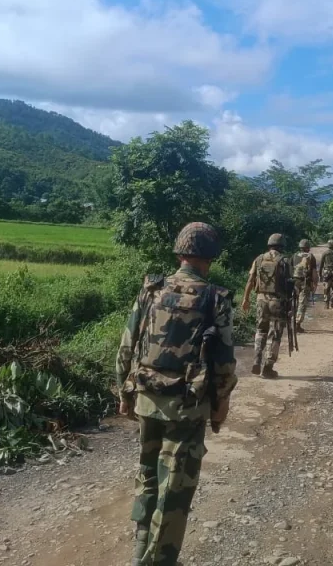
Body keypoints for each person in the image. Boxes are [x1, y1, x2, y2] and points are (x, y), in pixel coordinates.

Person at [116, 222, 237, 566]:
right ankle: (159, 560)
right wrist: (221, 405)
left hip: (146, 396)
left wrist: (124, 391)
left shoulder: (151, 289)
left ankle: (142, 552)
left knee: (148, 475)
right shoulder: (216, 298)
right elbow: (225, 362)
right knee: (175, 491)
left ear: (180, 252)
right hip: (187, 406)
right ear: (210, 256)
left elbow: (127, 346)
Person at [241, 233, 292, 379]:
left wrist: (245, 299)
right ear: (282, 245)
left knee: (260, 329)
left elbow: (250, 280)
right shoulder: (285, 261)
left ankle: (257, 359)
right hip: (278, 301)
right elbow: (290, 285)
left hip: (261, 299)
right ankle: (268, 367)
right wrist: (290, 306)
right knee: (274, 333)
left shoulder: (259, 259)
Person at [292, 239, 317, 333]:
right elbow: (314, 272)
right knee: (302, 304)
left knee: (294, 302)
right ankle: (297, 324)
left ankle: (292, 321)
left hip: (294, 282)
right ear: (308, 248)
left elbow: (290, 270)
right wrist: (315, 284)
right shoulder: (311, 257)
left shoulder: (294, 255)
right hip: (305, 283)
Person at [319, 240, 333, 309]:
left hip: (326, 272)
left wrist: (320, 274)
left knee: (326, 288)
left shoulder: (325, 253)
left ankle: (326, 304)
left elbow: (321, 265)